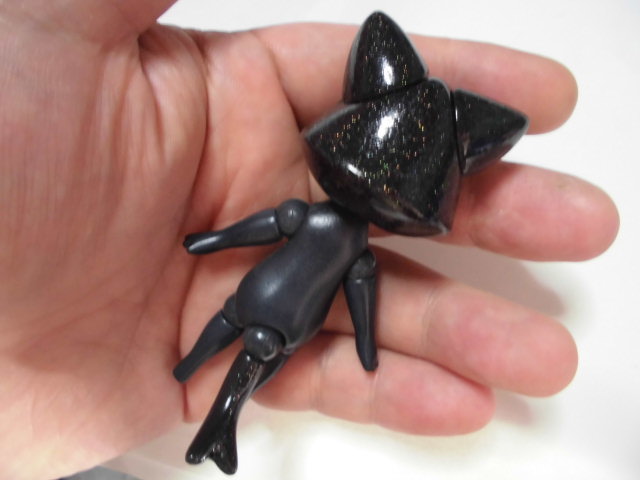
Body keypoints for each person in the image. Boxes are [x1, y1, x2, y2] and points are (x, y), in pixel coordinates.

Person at [0, 1, 618, 479]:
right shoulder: (351, 249)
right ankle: (212, 407)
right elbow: (346, 292)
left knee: (237, 324)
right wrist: (210, 242)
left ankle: (209, 403)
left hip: (269, 297)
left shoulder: (318, 224)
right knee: (251, 339)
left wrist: (212, 242)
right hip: (292, 315)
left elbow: (281, 244)